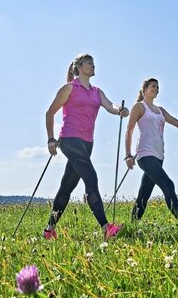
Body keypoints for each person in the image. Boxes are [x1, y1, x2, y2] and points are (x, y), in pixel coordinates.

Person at [44, 53, 129, 240]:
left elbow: (110, 105)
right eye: (89, 64)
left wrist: (120, 111)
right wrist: (51, 140)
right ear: (80, 67)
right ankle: (106, 227)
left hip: (87, 142)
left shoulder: (97, 91)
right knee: (91, 177)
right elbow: (50, 113)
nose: (93, 66)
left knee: (67, 185)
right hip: (69, 139)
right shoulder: (69, 88)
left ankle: (50, 229)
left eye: (93, 64)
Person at [124, 77, 178, 220]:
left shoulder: (160, 110)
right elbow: (129, 131)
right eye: (153, 86)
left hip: (159, 156)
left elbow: (177, 122)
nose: (156, 89)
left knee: (144, 193)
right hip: (145, 154)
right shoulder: (139, 107)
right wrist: (128, 155)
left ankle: (132, 223)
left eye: (157, 87)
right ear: (145, 89)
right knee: (168, 184)